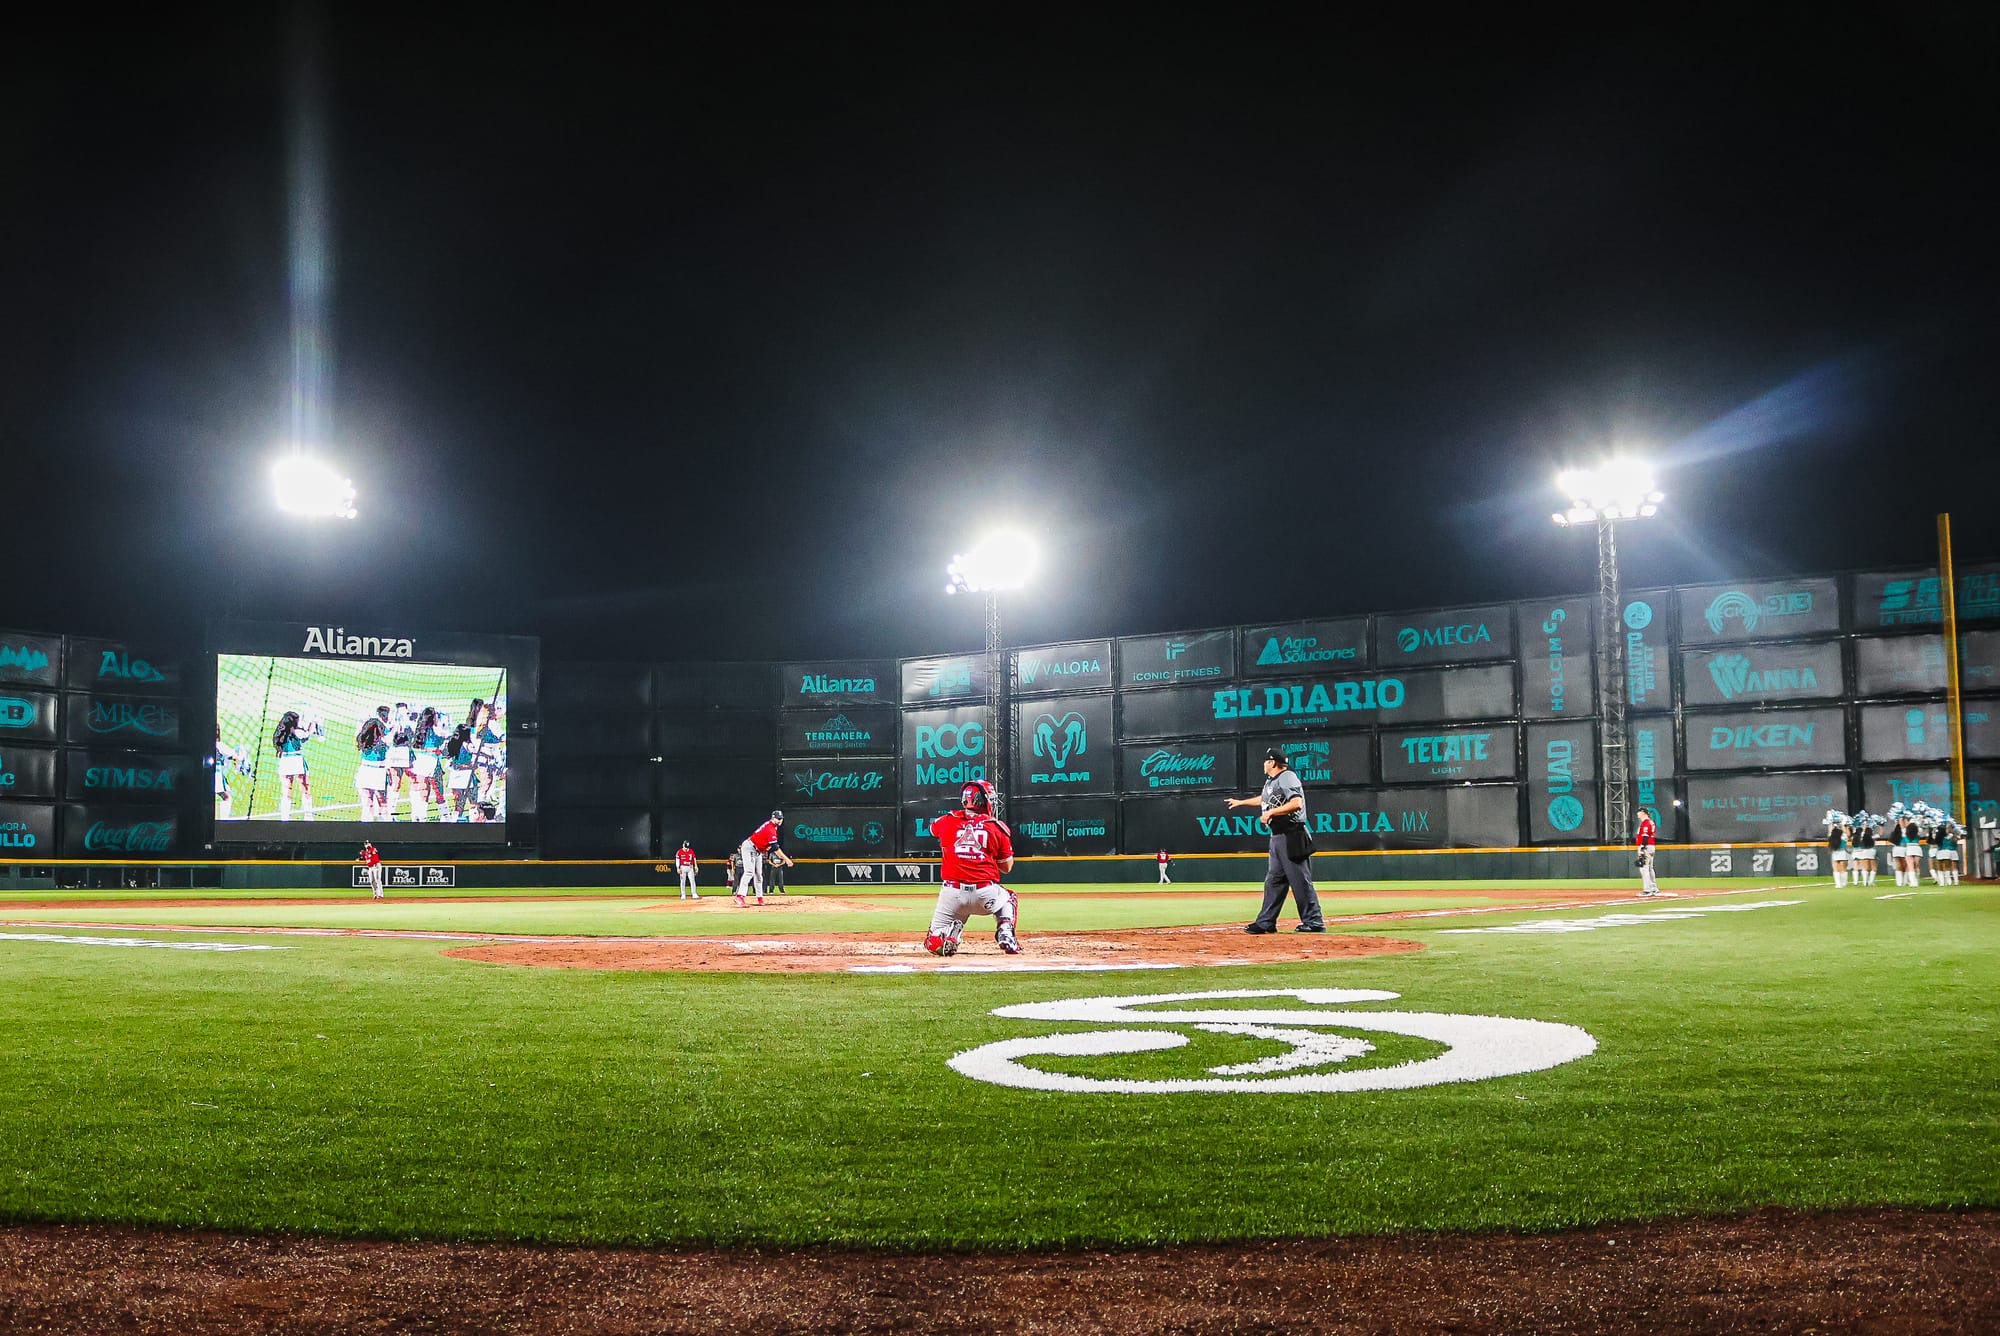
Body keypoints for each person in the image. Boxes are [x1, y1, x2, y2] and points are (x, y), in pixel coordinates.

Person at [1225, 747, 1324, 933]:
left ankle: (1314, 922)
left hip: (1291, 834)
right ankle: (1266, 922)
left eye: (1266, 761)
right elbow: (1264, 799)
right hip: (1278, 836)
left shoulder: (1287, 777)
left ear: (1272, 762)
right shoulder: (1273, 781)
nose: (1264, 764)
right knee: (1274, 881)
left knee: (1300, 881)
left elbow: (1296, 803)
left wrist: (1271, 812)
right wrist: (1241, 802)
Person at [924, 779, 1021, 955]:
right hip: (985, 894)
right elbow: (1006, 867)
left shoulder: (947, 820)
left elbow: (932, 829)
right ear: (984, 801)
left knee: (932, 943)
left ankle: (949, 933)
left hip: (952, 895)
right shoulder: (996, 827)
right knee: (1010, 898)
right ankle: (1006, 932)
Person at [272, 710, 321, 821]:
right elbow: (306, 736)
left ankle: (285, 818)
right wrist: (313, 723)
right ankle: (308, 816)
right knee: (305, 789)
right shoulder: (296, 731)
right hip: (297, 760)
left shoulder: (280, 733)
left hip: (285, 761)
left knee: (286, 791)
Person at [736, 810, 793, 906]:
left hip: (758, 851)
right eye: (778, 818)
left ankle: (760, 898)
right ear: (773, 818)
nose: (780, 820)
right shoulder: (770, 829)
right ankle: (740, 896)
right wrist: (786, 859)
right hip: (749, 847)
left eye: (781, 818)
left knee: (759, 875)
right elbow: (775, 847)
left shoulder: (773, 826)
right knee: (749, 872)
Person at [1635, 806, 1661, 897]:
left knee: (1644, 868)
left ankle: (1647, 890)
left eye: (1639, 812)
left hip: (1646, 846)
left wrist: (1642, 848)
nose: (1637, 814)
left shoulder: (1646, 823)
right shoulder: (1650, 822)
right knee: (1650, 868)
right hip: (1650, 846)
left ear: (1643, 812)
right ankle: (1654, 888)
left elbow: (1645, 836)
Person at [1826, 811, 1850, 888]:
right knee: (1843, 869)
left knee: (1836, 869)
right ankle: (1844, 883)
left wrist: (1831, 822)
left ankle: (1838, 884)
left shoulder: (1831, 836)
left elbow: (1830, 830)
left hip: (1835, 852)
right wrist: (1843, 824)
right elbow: (1847, 833)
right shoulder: (1843, 836)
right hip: (1843, 853)